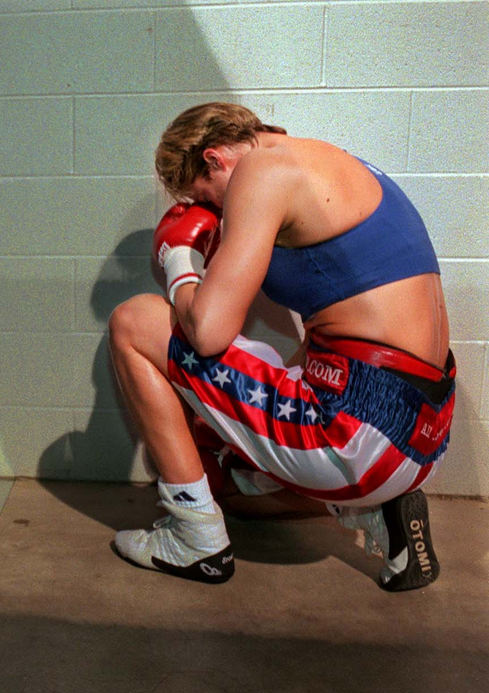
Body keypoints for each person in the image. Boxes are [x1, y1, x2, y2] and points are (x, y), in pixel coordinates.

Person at [107, 102, 456, 591]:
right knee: (228, 468)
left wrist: (179, 261)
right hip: (425, 436)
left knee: (131, 322)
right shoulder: (328, 162)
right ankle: (381, 512)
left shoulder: (261, 171)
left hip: (361, 436)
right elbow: (329, 340)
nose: (214, 215)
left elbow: (206, 333)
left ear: (214, 160)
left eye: (206, 199)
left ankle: (195, 538)